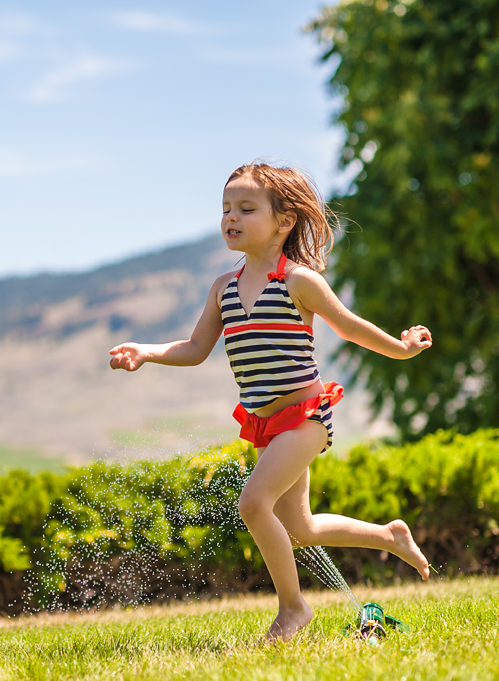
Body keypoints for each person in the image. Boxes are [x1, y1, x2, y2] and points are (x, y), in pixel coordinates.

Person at [108, 161, 432, 641]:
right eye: (225, 209)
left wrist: (401, 348)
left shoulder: (298, 280)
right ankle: (389, 535)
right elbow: (196, 349)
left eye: (245, 208)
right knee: (298, 527)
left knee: (253, 503)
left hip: (304, 419)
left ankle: (293, 608)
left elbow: (348, 324)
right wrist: (148, 352)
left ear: (284, 221)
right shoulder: (224, 289)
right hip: (265, 424)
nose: (230, 218)